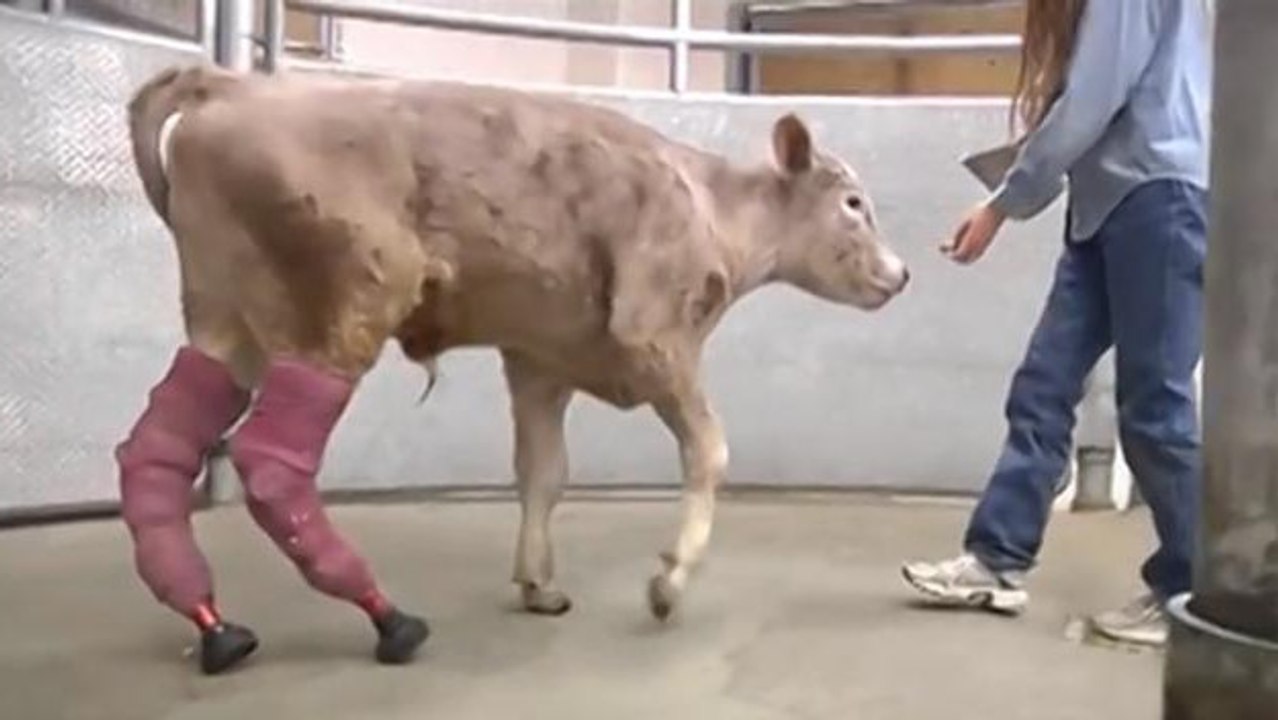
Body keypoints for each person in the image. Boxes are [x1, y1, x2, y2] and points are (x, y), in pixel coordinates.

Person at [901, 0, 1212, 647]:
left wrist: (1001, 204)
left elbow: (1092, 98)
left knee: (1155, 409)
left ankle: (1198, 591)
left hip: (1157, 198)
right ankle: (996, 558)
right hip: (1109, 204)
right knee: (1043, 387)